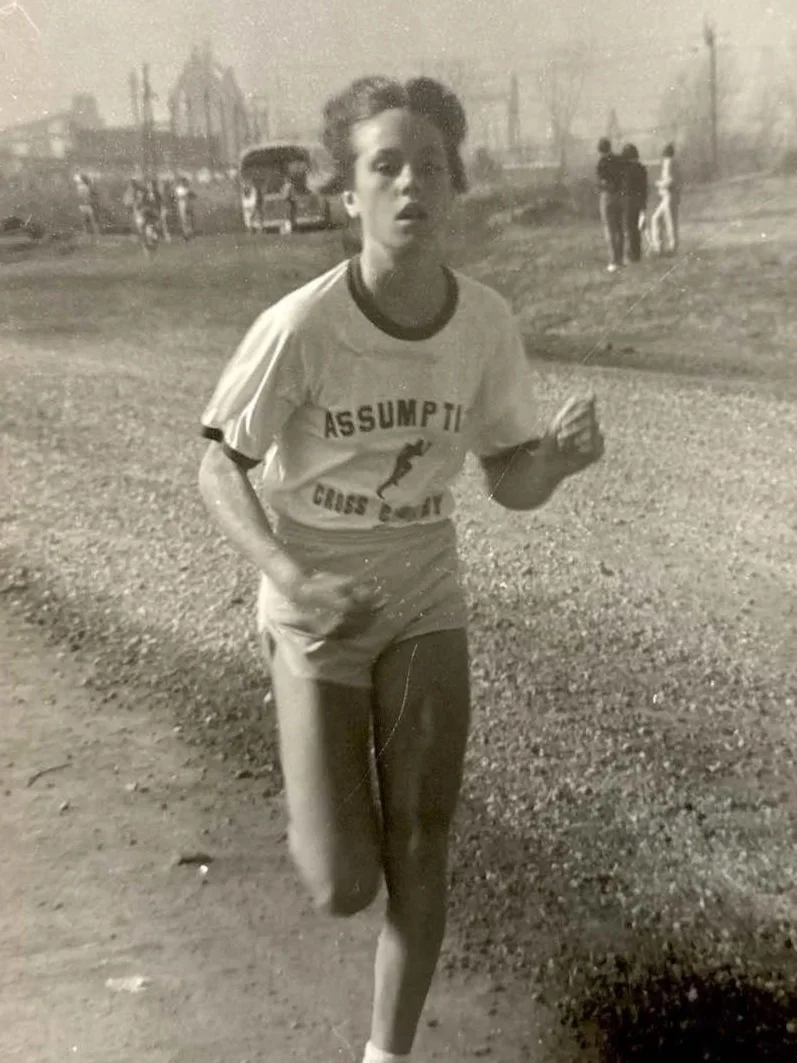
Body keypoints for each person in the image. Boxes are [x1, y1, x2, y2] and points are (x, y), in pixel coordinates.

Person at [197, 75, 604, 1063]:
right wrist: (290, 580)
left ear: (454, 186)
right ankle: (314, 761)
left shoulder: (484, 324)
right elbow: (218, 463)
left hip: (425, 596)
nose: (410, 184)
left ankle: (386, 1053)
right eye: (386, 166)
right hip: (316, 606)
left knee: (423, 835)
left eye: (430, 165)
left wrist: (549, 459)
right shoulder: (304, 324)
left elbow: (507, 482)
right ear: (350, 192)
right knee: (342, 882)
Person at [596, 137, 625, 272]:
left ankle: (614, 261)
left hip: (607, 197)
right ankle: (621, 258)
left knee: (610, 229)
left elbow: (602, 182)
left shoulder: (601, 162)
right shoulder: (619, 160)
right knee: (619, 228)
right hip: (620, 196)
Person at [650, 142, 681, 255]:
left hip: (669, 195)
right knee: (657, 219)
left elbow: (670, 181)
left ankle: (667, 248)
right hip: (670, 196)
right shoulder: (674, 163)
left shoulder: (669, 162)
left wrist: (658, 184)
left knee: (668, 222)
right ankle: (660, 247)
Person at [620, 143, 648, 263]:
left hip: (628, 200)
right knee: (636, 229)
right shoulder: (641, 168)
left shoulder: (626, 169)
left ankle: (632, 255)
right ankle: (637, 254)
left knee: (629, 228)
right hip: (639, 200)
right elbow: (645, 187)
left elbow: (624, 186)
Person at [174, 175, 197, 240]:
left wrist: (189, 195)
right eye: (183, 182)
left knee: (189, 219)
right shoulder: (179, 189)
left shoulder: (187, 189)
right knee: (184, 219)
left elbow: (194, 196)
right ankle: (186, 233)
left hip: (188, 204)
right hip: (182, 204)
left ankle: (189, 232)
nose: (185, 183)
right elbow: (178, 197)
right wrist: (186, 195)